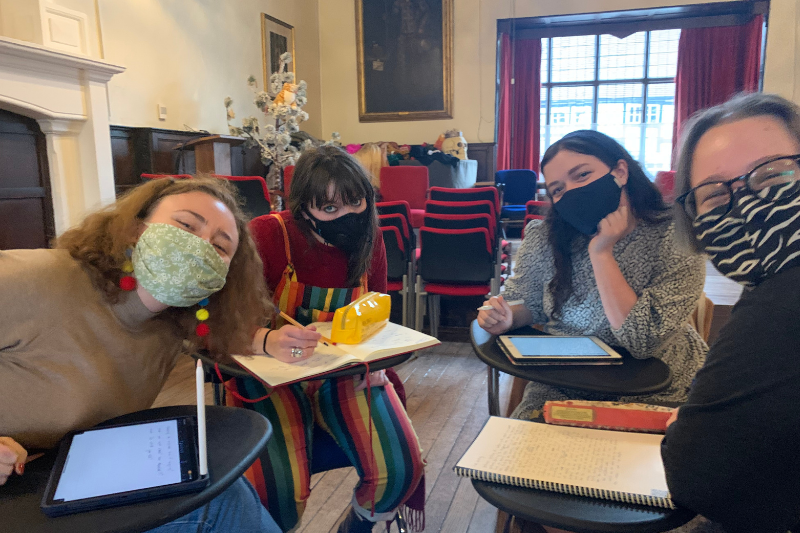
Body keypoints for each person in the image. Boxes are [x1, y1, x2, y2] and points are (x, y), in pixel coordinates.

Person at [0, 177, 280, 533]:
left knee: (227, 494)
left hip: (69, 482)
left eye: (220, 247)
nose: (200, 248)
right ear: (135, 229)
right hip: (18, 500)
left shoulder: (172, 324)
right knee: (222, 506)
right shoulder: (36, 278)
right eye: (186, 225)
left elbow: (225, 335)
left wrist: (271, 339)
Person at [230, 145, 425, 533]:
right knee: (277, 492)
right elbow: (217, 321)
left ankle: (357, 527)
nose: (348, 217)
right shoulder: (269, 234)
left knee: (401, 468)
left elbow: (376, 309)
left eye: (356, 203)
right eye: (330, 208)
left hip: (345, 369)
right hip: (269, 372)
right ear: (303, 208)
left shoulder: (371, 238)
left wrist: (376, 357)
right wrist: (265, 338)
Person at [478, 130, 708, 416]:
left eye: (582, 175)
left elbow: (642, 341)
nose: (572, 192)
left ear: (620, 171)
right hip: (563, 383)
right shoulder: (545, 236)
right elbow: (529, 302)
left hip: (661, 386)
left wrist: (601, 253)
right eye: (558, 189)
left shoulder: (677, 234)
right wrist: (508, 316)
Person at [662, 92, 800, 533]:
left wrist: (683, 427)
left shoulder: (782, 296)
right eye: (715, 194)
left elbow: (699, 475)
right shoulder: (768, 287)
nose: (747, 202)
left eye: (772, 174)